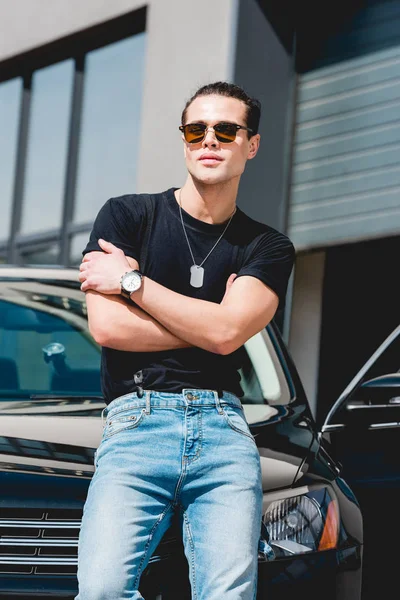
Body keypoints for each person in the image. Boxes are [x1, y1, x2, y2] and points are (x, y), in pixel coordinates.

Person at [76, 81, 295, 600]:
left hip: (223, 431)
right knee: (102, 591)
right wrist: (212, 324)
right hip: (135, 425)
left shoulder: (267, 245)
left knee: (228, 595)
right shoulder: (127, 216)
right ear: (183, 140)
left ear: (252, 144)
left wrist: (133, 284)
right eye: (196, 130)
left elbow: (224, 336)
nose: (209, 140)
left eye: (226, 129)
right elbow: (109, 329)